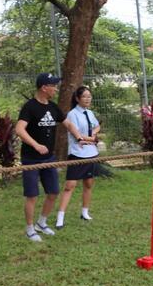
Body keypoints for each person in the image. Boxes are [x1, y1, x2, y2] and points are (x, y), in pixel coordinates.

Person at [15, 73, 87, 242]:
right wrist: (36, 145)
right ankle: (30, 228)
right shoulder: (30, 107)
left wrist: (79, 137)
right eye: (53, 85)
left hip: (49, 158)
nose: (56, 88)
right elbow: (19, 129)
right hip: (31, 159)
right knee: (32, 195)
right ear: (44, 87)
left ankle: (42, 223)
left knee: (53, 192)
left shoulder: (53, 107)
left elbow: (68, 123)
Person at [55, 86, 100, 230]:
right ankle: (60, 217)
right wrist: (93, 139)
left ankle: (85, 212)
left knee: (88, 184)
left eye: (89, 96)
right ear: (77, 99)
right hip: (77, 154)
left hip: (91, 153)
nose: (88, 99)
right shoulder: (72, 114)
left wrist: (94, 133)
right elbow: (76, 135)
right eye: (85, 96)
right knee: (70, 186)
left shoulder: (90, 113)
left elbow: (97, 126)